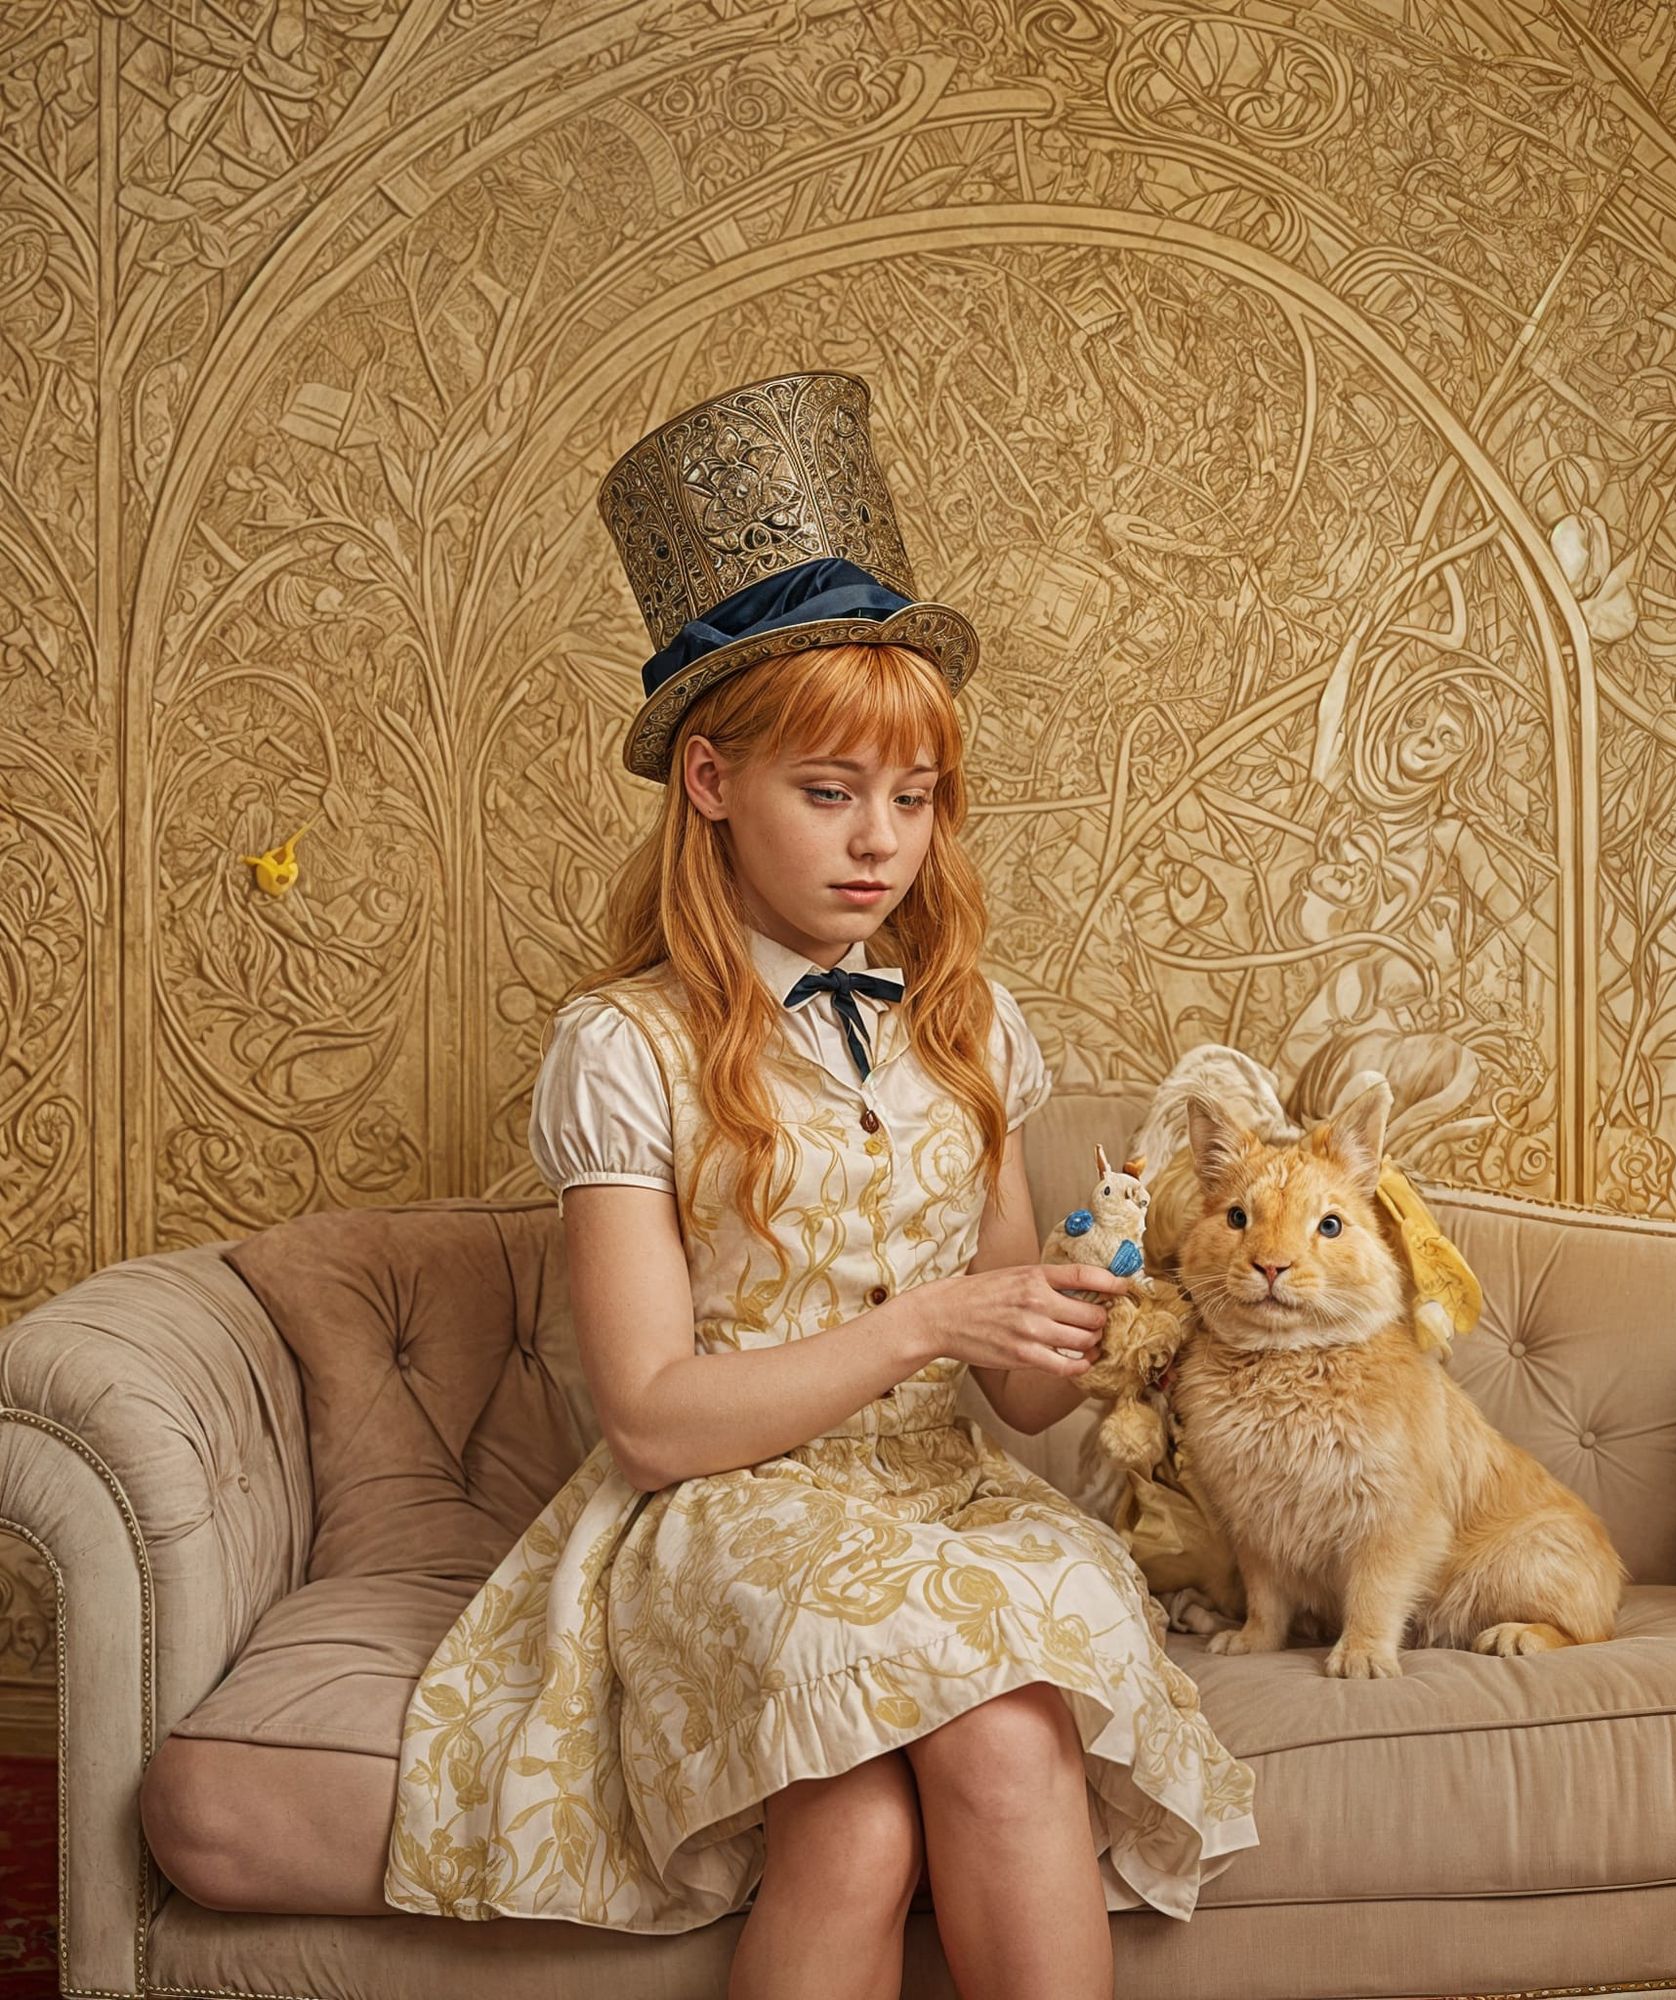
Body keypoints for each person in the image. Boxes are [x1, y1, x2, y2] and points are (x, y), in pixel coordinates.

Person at [379, 372, 1259, 1999]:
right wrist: (936, 1315)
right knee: (851, 1827)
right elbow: (650, 1418)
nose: (882, 848)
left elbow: (1012, 1406)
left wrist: (1071, 1332)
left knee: (1005, 1752)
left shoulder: (971, 1022)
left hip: (948, 1499)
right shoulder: (624, 1045)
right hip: (728, 1508)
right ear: (710, 782)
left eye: (914, 800)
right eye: (829, 792)